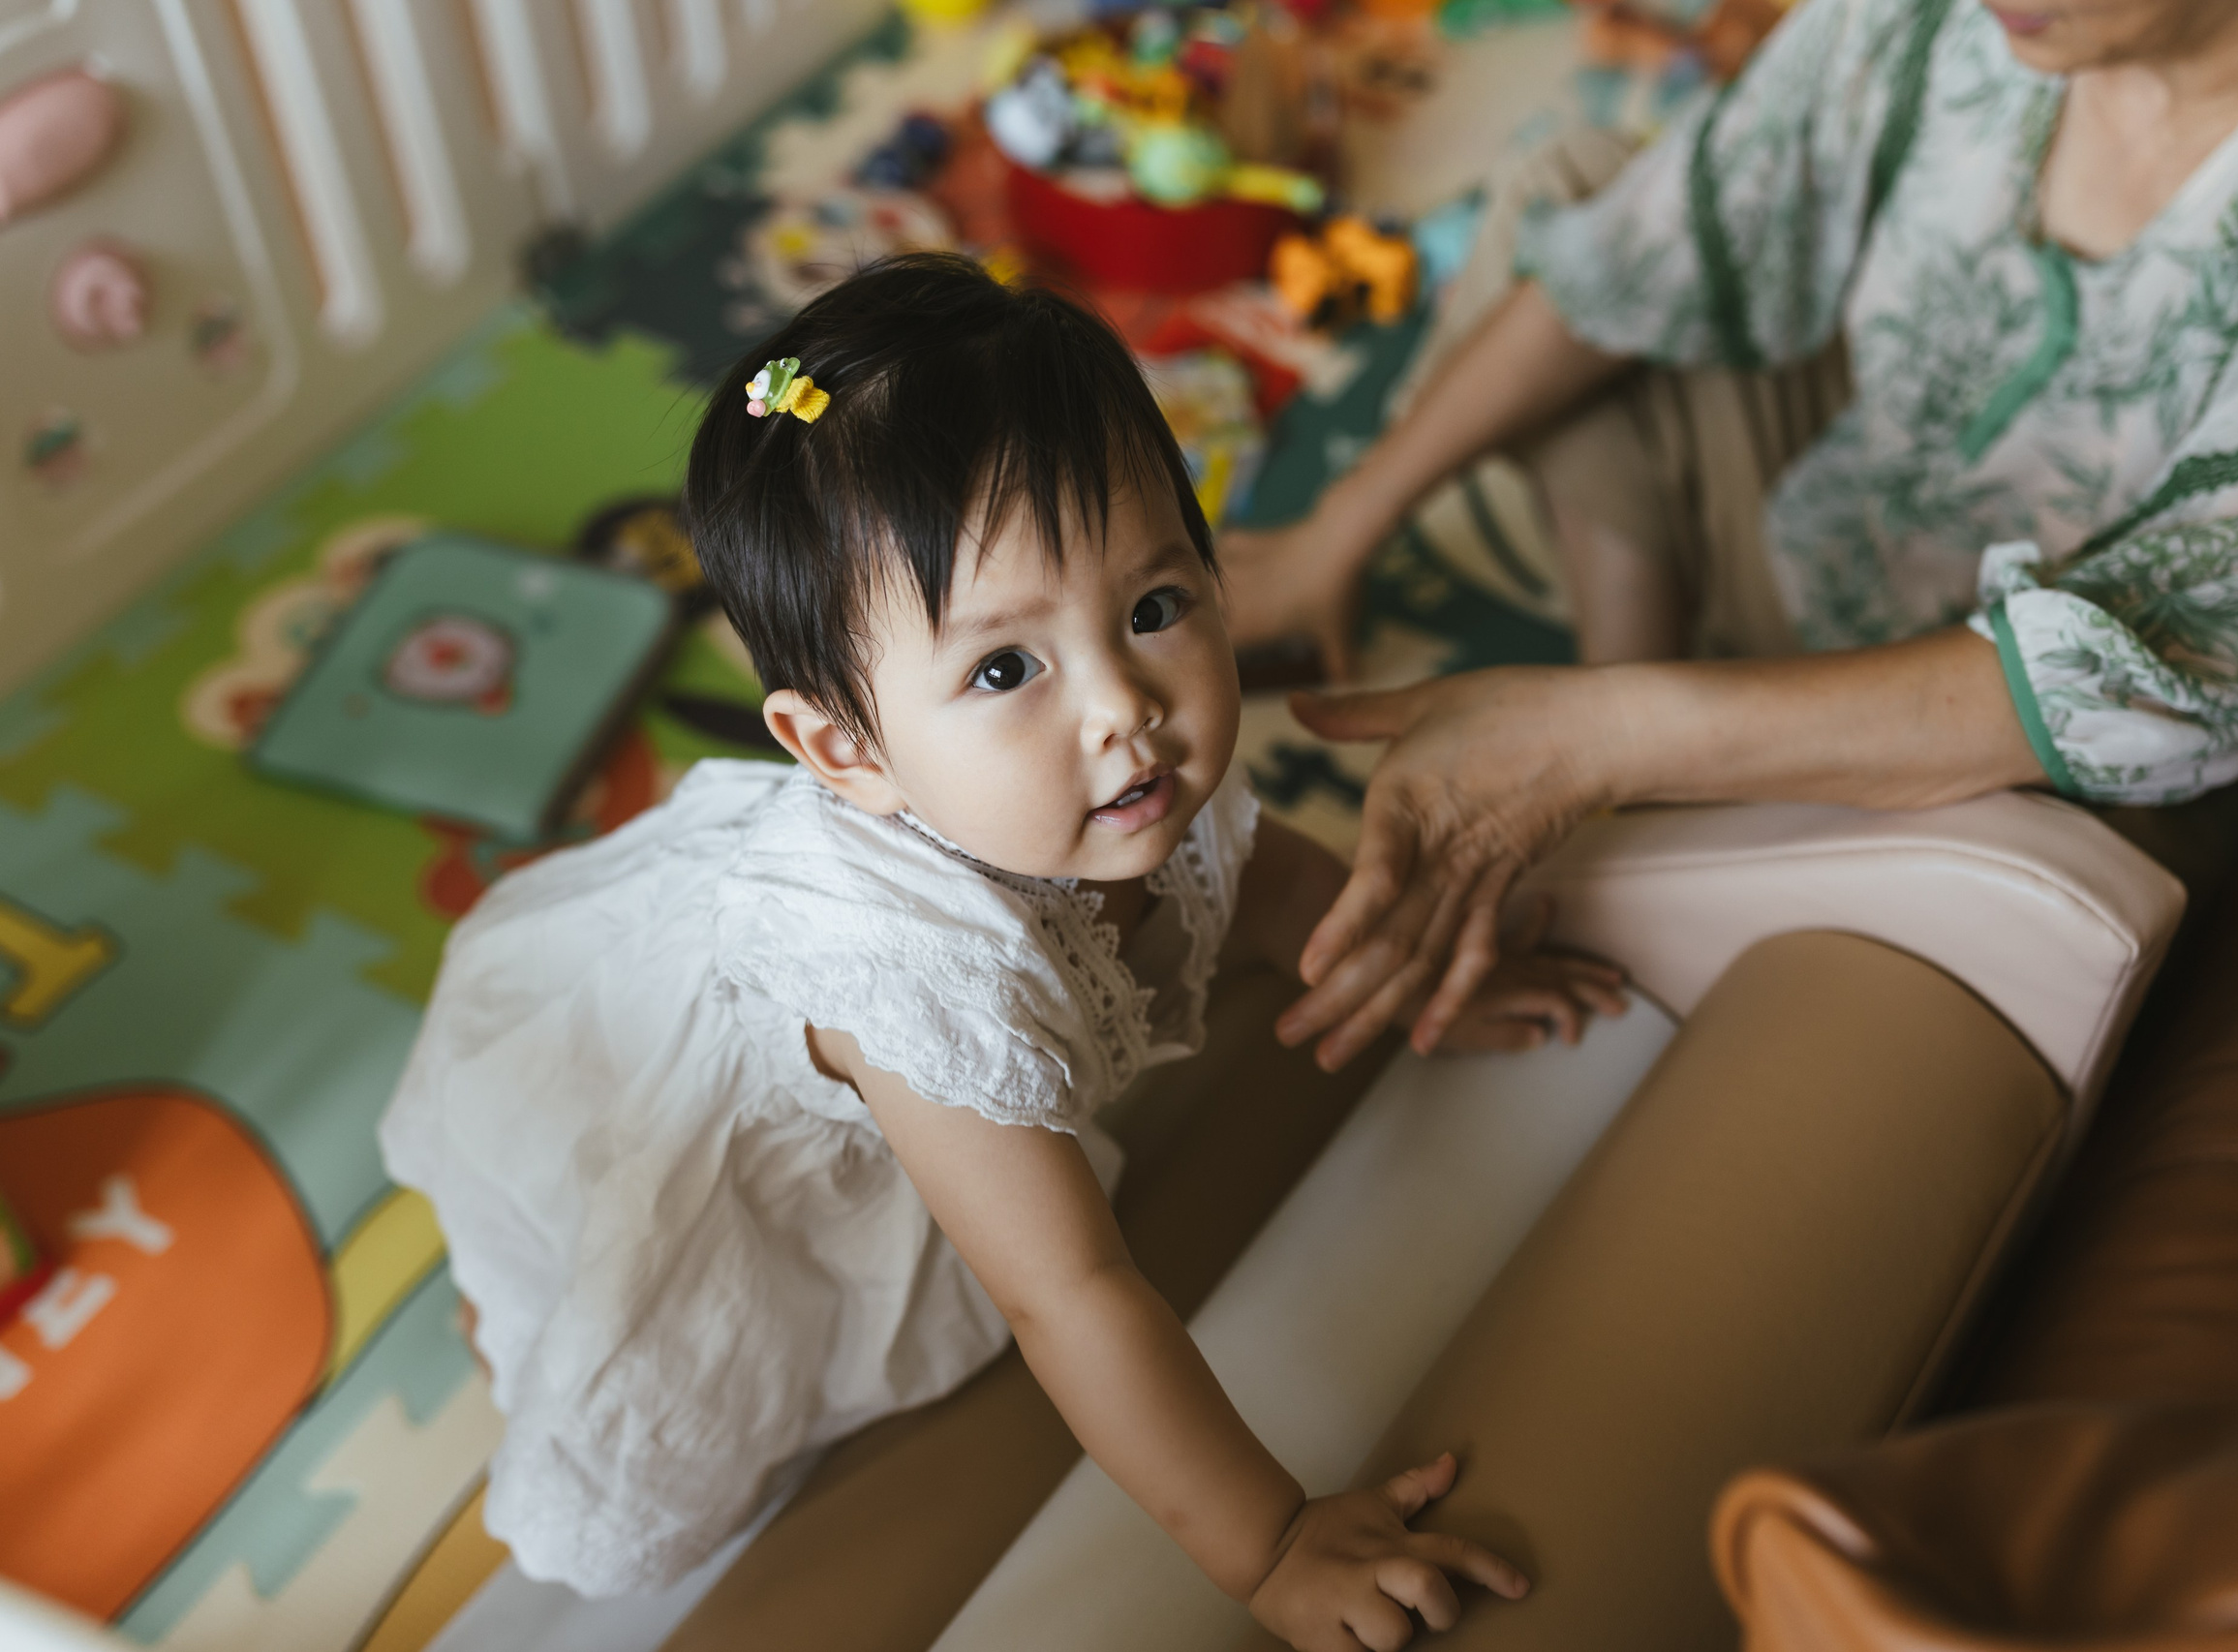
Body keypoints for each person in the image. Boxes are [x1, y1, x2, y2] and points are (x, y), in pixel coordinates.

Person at [379, 255, 1623, 1646]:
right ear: (846, 749)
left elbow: (1267, 880)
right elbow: (1070, 1292)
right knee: (648, 1371)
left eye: (1156, 606)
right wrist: (1271, 1544)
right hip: (619, 1076)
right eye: (1003, 668)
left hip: (808, 1039)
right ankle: (511, 1325)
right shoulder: (908, 967)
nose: (1125, 709)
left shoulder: (1117, 775)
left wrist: (1416, 974)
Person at [1233, 0, 2238, 1073]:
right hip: (1836, 539)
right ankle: (1636, 728)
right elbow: (1673, 231)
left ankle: (1639, 767)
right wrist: (1331, 537)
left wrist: (1602, 741)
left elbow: (2167, 670)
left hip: (2058, 764)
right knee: (1579, 185)